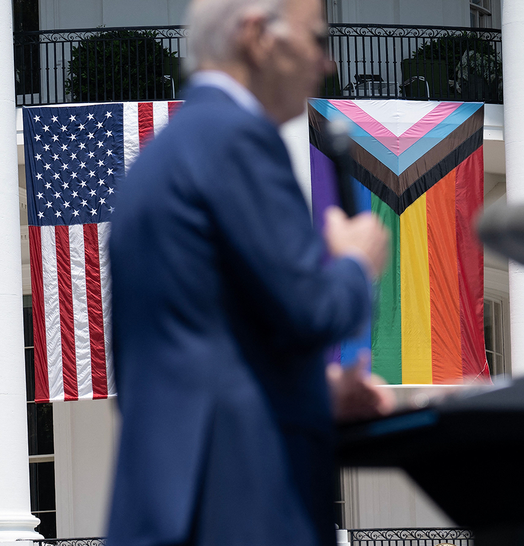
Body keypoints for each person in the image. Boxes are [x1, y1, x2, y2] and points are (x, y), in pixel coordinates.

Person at [105, 0, 392, 544]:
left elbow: (192, 354)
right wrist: (357, 264)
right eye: (318, 39)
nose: (326, 64)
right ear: (259, 35)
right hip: (239, 506)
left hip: (173, 506)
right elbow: (312, 310)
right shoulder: (237, 139)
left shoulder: (158, 157)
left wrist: (318, 391)